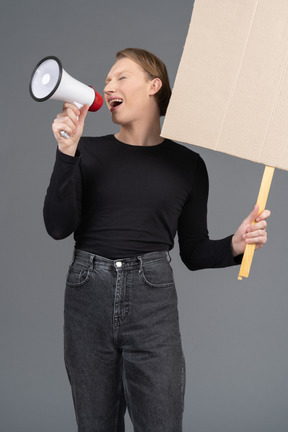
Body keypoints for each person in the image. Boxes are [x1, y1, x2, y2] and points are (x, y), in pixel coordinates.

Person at [43, 48, 270, 432]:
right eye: (106, 81)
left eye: (120, 77)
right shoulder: (86, 151)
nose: (108, 86)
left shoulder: (188, 166)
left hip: (152, 301)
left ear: (154, 86)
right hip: (87, 295)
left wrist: (236, 242)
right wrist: (66, 154)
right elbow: (57, 226)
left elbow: (195, 251)